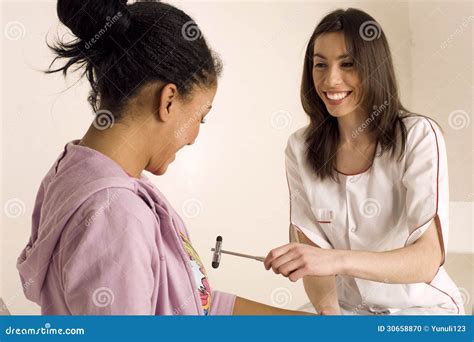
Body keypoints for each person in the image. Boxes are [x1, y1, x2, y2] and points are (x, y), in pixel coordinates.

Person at [17, 0, 309, 316]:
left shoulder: (77, 170)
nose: (194, 137)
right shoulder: (116, 216)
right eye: (201, 117)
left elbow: (197, 306)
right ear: (168, 100)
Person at [264, 8, 465, 315]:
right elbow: (313, 252)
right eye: (320, 65)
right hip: (345, 311)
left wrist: (338, 260)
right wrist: (331, 317)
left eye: (348, 64)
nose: (331, 80)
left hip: (422, 309)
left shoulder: (418, 136)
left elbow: (427, 259)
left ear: (373, 67)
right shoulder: (299, 148)